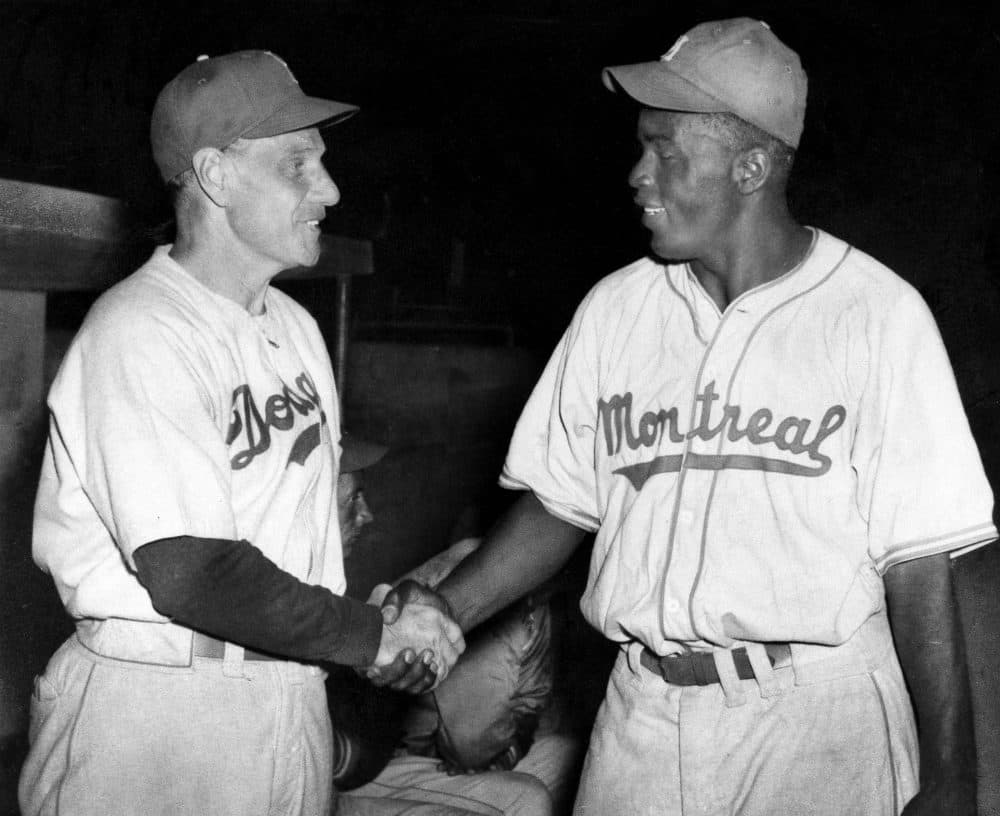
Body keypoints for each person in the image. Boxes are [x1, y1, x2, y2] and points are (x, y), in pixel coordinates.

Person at [384, 18, 995, 816]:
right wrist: (443, 610)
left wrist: (952, 776)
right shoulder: (617, 310)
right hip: (642, 712)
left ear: (751, 166)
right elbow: (562, 503)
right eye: (641, 147)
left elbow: (919, 566)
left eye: (666, 151)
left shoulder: (875, 315)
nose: (640, 174)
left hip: (816, 719)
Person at [19, 50, 463, 816]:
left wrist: (348, 562)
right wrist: (370, 637)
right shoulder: (140, 328)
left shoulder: (293, 327)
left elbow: (272, 523)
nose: (330, 189)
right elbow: (189, 569)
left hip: (288, 695)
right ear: (217, 177)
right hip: (156, 712)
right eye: (299, 164)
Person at [329, 443, 581, 815]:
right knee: (529, 798)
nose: (368, 515)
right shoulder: (302, 599)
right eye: (355, 498)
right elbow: (465, 743)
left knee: (559, 767)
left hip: (390, 755)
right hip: (366, 767)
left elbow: (532, 699)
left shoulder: (383, 590)